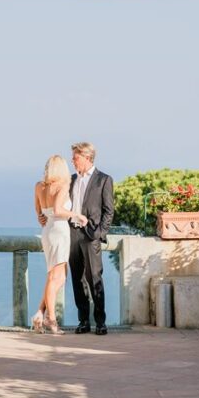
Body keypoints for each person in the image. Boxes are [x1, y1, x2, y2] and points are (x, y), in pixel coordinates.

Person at [32, 155, 86, 334]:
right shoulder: (63, 185)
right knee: (59, 278)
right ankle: (51, 319)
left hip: (47, 230)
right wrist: (77, 215)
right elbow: (58, 210)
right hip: (60, 230)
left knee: (52, 276)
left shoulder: (39, 186)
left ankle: (40, 314)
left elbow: (39, 212)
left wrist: (42, 216)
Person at [67, 141, 114, 335]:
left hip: (91, 236)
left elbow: (108, 211)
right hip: (72, 234)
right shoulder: (71, 180)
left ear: (87, 157)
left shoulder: (103, 179)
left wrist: (99, 234)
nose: (73, 161)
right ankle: (84, 321)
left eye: (75, 157)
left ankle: (100, 322)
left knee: (94, 277)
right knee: (77, 279)